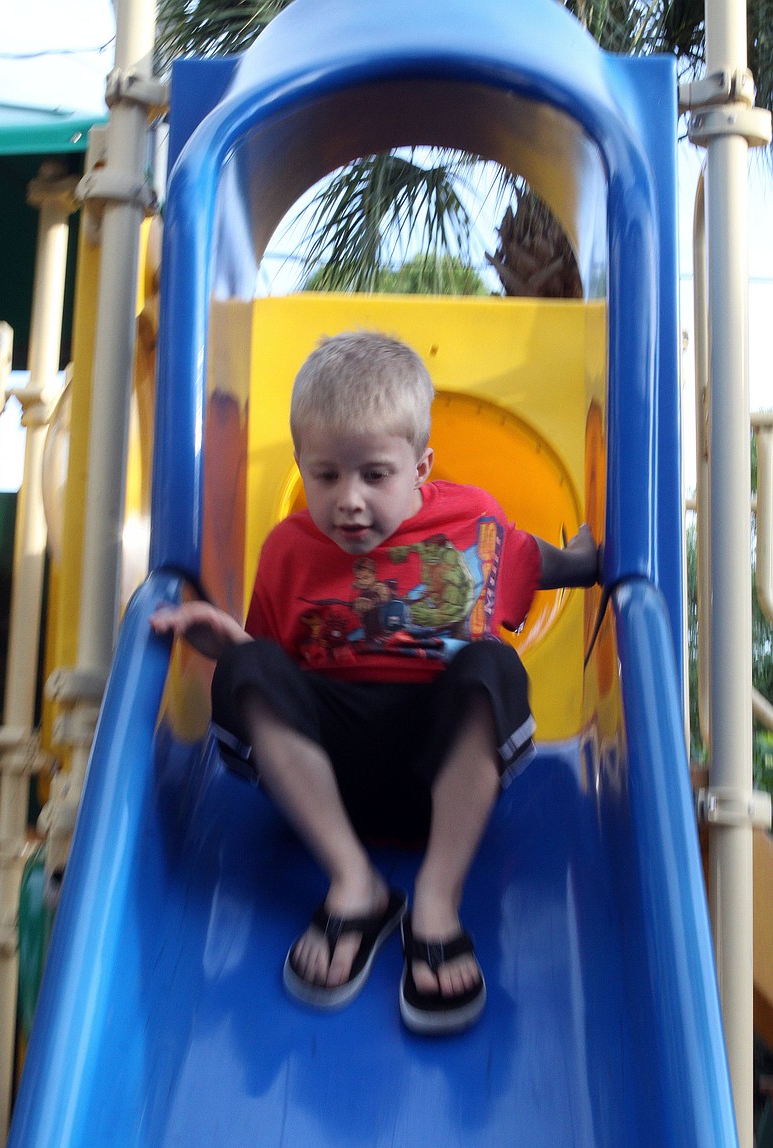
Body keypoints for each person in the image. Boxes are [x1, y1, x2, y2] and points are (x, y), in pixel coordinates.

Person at [150, 330, 598, 1035]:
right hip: (329, 788)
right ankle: (354, 883)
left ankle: (437, 900)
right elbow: (275, 678)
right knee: (246, 668)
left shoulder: (472, 522)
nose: (349, 500)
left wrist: (592, 560)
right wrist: (228, 646)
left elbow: (532, 561)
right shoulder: (288, 550)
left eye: (374, 475)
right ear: (302, 466)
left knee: (491, 666)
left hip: (442, 781)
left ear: (421, 466)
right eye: (326, 476)